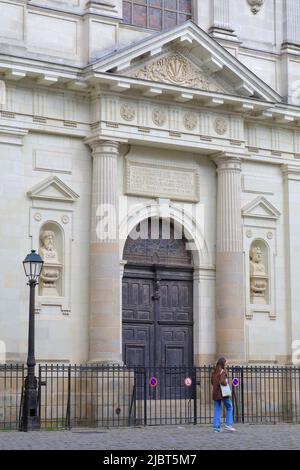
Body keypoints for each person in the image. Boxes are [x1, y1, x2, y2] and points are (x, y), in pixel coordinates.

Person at [211, 357, 236, 433]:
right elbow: (222, 381)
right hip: (223, 393)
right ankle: (228, 425)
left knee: (217, 409)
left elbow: (212, 382)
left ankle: (216, 428)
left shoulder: (214, 372)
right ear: (223, 364)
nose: (226, 364)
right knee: (229, 407)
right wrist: (226, 383)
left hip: (215, 393)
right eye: (225, 363)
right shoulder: (223, 372)